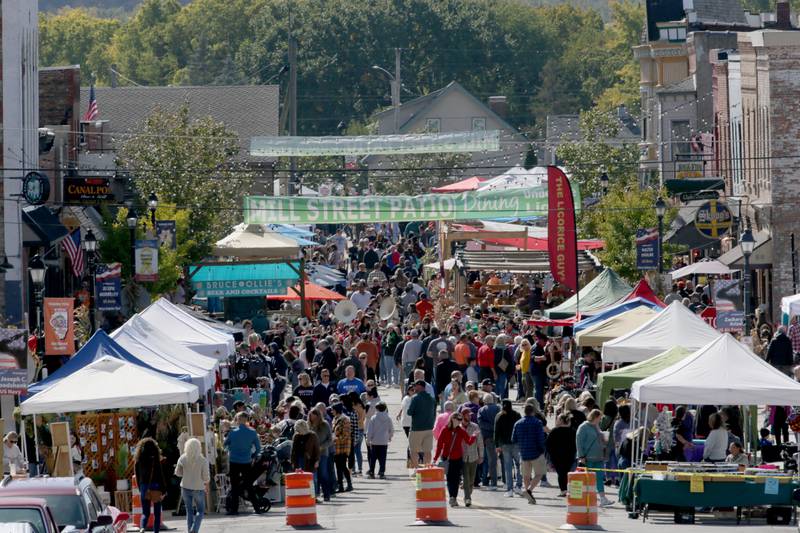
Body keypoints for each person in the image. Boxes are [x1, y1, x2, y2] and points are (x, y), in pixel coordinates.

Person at [433, 412, 477, 507]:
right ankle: (452, 497)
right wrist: (435, 458)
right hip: (447, 458)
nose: (461, 421)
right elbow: (439, 445)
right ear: (453, 419)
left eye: (461, 420)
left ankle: (454, 497)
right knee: (449, 479)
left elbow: (469, 442)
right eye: (459, 419)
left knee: (456, 479)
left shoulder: (460, 430)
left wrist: (473, 436)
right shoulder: (445, 430)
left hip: (457, 458)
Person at [224, 412, 261, 515]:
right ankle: (257, 508)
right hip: (246, 461)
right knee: (249, 485)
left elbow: (225, 444)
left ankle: (234, 509)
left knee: (234, 486)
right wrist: (253, 455)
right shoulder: (252, 432)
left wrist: (230, 448)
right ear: (247, 420)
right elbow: (258, 449)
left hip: (234, 461)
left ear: (238, 420)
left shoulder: (232, 432)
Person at [576, 409, 613, 507]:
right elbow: (578, 442)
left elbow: (600, 439)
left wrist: (604, 439)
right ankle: (586, 499)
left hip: (598, 457)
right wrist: (581, 456)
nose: (600, 420)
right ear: (595, 417)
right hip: (587, 458)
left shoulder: (596, 426)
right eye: (599, 418)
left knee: (600, 478)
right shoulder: (583, 427)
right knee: (587, 479)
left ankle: (602, 498)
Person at [511, 404, 547, 504]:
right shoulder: (537, 423)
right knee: (539, 474)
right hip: (536, 452)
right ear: (533, 412)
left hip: (523, 452)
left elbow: (513, 439)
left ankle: (528, 494)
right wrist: (542, 449)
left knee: (526, 476)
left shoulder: (518, 423)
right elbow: (540, 438)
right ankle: (529, 490)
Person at [174, 438, 210, 533]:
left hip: (185, 487)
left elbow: (177, 473)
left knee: (189, 511)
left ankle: (190, 530)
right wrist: (206, 483)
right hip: (198, 487)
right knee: (201, 510)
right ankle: (194, 529)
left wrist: (185, 473)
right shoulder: (203, 460)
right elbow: (206, 476)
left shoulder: (182, 458)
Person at [134, 438, 167, 532]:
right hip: (156, 486)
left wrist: (140, 487)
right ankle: (156, 531)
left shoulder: (138, 459)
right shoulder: (155, 459)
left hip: (144, 486)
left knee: (145, 512)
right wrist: (164, 490)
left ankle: (142, 527)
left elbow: (137, 475)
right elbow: (160, 475)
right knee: (157, 513)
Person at [495, 399, 522, 497]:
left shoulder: (500, 416)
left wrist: (497, 445)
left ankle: (509, 489)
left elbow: (496, 432)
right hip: (516, 444)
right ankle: (519, 486)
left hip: (505, 445)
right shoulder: (517, 415)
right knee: (519, 466)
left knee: (508, 467)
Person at [407, 379, 436, 468]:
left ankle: (416, 469)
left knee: (413, 450)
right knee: (427, 451)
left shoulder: (415, 398)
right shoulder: (432, 399)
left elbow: (409, 412)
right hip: (429, 428)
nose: (414, 387)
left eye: (415, 385)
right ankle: (427, 468)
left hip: (417, 428)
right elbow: (434, 413)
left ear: (420, 386)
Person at [546, 413, 576, 497]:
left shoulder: (555, 431)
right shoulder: (573, 431)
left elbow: (548, 444)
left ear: (561, 421)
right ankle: (569, 489)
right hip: (569, 456)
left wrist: (551, 454)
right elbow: (576, 444)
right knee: (568, 472)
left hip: (556, 456)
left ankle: (563, 490)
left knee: (561, 473)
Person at [459, 407, 483, 507]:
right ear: (463, 416)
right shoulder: (459, 427)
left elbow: (480, 443)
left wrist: (481, 456)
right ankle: (468, 498)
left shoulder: (475, 427)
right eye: (468, 414)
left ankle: (467, 494)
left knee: (472, 480)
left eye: (470, 415)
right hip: (463, 457)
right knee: (466, 478)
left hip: (473, 456)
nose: (470, 416)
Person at [308, 409, 333, 502]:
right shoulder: (308, 425)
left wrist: (322, 447)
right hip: (311, 454)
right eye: (311, 416)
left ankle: (327, 494)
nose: (312, 418)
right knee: (314, 476)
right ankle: (314, 495)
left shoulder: (325, 425)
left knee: (323, 474)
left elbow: (330, 439)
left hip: (322, 453)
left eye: (314, 417)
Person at [477, 394, 500, 489]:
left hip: (487, 438)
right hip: (498, 437)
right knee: (496, 460)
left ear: (484, 401)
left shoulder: (481, 410)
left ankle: (489, 482)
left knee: (488, 460)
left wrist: (490, 428)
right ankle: (504, 481)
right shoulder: (498, 408)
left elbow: (480, 423)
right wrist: (494, 428)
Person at [365, 402, 393, 479]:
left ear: (377, 409)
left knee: (373, 458)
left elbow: (370, 430)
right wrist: (389, 437)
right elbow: (391, 429)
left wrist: (368, 440)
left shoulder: (373, 418)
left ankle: (372, 473)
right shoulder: (388, 418)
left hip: (375, 441)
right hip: (384, 441)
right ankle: (381, 472)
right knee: (383, 458)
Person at [331, 403, 353, 492]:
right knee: (339, 467)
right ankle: (341, 486)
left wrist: (335, 439)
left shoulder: (345, 420)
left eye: (333, 410)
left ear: (337, 410)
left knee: (342, 466)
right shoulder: (335, 419)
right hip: (336, 447)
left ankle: (349, 484)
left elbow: (346, 435)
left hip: (343, 447)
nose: (331, 411)